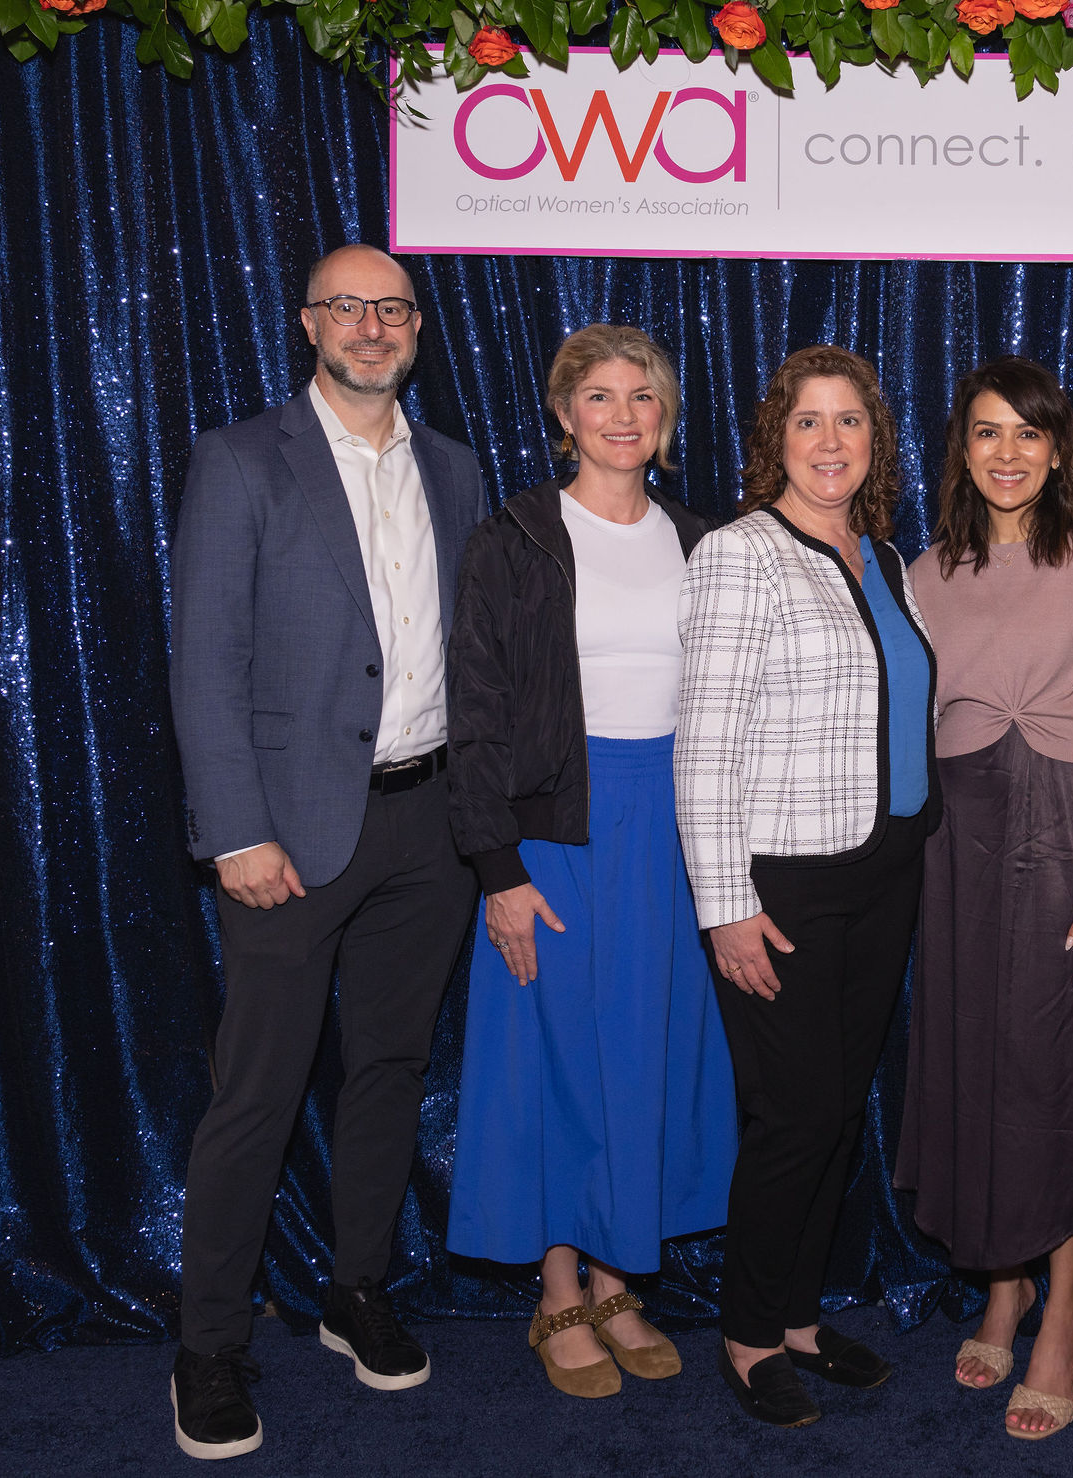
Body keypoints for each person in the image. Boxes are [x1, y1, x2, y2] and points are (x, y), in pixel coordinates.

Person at [166, 245, 486, 1459]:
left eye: (391, 307)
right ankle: (208, 1346)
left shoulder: (452, 467)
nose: (370, 325)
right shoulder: (243, 458)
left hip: (427, 823)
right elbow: (206, 662)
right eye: (346, 306)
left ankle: (357, 1293)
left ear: (416, 328)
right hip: (288, 834)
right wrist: (236, 830)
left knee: (390, 1071)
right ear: (308, 324)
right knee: (256, 1088)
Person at [444, 325, 737, 1398]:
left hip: (674, 824)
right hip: (553, 832)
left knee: (647, 1045)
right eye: (599, 396)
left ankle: (619, 1277)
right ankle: (557, 1288)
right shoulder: (513, 537)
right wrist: (498, 869)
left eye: (642, 396)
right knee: (555, 1051)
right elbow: (473, 712)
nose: (622, 415)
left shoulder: (703, 539)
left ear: (664, 417)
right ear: (564, 415)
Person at [674, 345, 939, 1429]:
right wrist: (725, 906)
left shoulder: (885, 557)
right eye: (807, 422)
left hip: (883, 871)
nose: (831, 442)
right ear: (773, 439)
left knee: (837, 1111)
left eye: (850, 421)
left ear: (875, 439)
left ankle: (794, 1317)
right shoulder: (739, 553)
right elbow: (704, 744)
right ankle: (745, 1336)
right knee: (794, 1116)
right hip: (781, 883)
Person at [895, 359, 1073, 1441]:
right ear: (962, 448)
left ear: (1057, 449)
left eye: (1028, 434)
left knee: (1051, 1065)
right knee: (975, 1056)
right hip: (957, 834)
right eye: (987, 432)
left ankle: (1064, 1310)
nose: (1007, 453)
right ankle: (1001, 1286)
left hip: (1066, 827)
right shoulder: (925, 571)